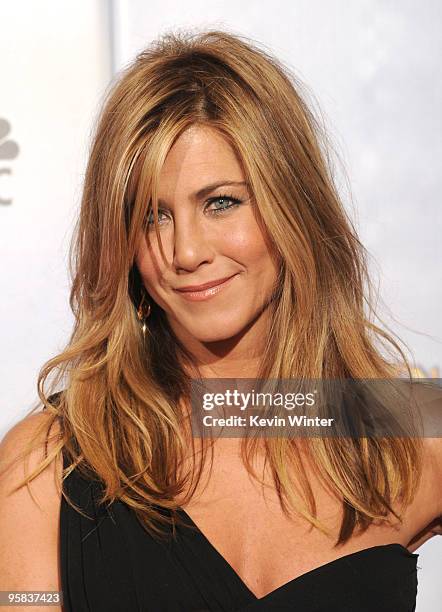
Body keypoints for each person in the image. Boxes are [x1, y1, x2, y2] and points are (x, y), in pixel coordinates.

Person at [0, 28, 441, 612]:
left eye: (221, 203)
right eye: (153, 216)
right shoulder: (45, 467)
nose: (186, 251)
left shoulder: (407, 427)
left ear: (292, 203)